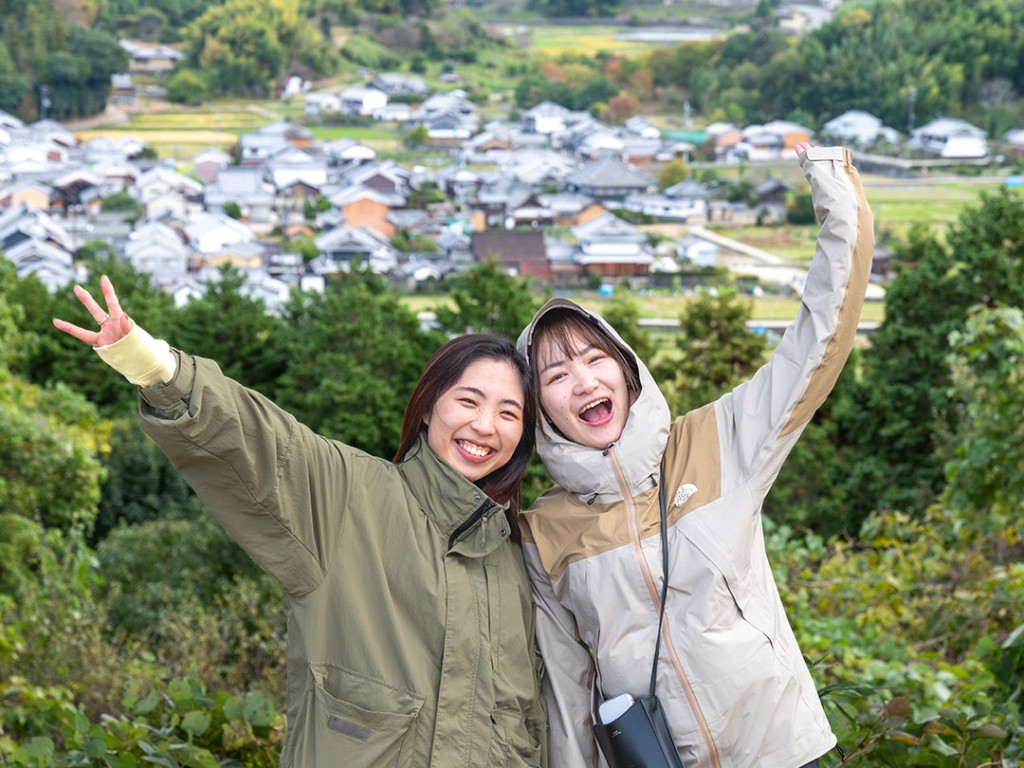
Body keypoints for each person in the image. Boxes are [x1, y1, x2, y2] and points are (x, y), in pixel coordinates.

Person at [53, 276, 548, 768]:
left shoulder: (515, 557)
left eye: (509, 413)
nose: (485, 426)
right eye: (468, 401)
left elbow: (533, 722)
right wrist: (152, 363)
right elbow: (263, 443)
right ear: (427, 409)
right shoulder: (350, 496)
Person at [515, 143, 873, 768]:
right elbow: (568, 693)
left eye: (596, 359)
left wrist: (832, 181)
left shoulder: (718, 440)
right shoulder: (544, 532)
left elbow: (819, 339)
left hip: (779, 751)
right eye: (556, 374)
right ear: (541, 408)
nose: (583, 381)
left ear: (628, 373)